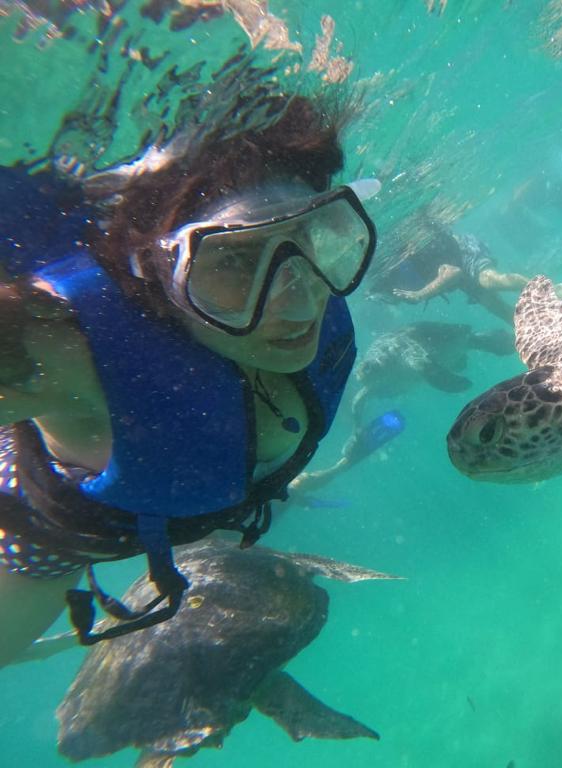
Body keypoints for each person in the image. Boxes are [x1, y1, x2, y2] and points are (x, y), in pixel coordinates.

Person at [0, 94, 377, 662]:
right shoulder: (68, 343)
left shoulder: (302, 304)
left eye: (303, 239)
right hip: (47, 543)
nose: (299, 297)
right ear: (158, 269)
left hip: (187, 501)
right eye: (234, 260)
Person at [370, 220, 530, 324]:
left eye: (388, 298)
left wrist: (420, 294)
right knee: (495, 307)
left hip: (462, 251)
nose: (394, 301)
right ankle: (537, 328)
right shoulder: (406, 276)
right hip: (456, 270)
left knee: (489, 280)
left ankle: (547, 290)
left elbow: (453, 272)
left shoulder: (411, 261)